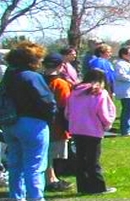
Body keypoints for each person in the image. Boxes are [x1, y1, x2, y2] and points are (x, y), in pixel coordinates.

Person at [2, 42, 57, 199]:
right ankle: (35, 198)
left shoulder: (9, 75)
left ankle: (17, 197)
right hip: (32, 123)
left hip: (10, 123)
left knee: (15, 164)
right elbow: (47, 101)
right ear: (31, 59)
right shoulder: (32, 76)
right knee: (34, 166)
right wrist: (51, 117)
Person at [65, 69, 117, 195]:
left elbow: (67, 111)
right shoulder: (99, 92)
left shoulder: (75, 91)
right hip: (93, 129)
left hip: (77, 128)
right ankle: (98, 186)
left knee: (81, 158)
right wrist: (107, 124)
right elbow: (103, 112)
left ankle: (82, 186)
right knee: (93, 159)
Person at [42, 54, 73, 192]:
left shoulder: (38, 79)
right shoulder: (60, 83)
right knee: (49, 153)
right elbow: (65, 105)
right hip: (56, 123)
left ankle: (52, 177)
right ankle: (50, 179)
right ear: (61, 66)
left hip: (39, 120)